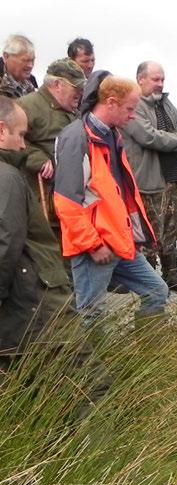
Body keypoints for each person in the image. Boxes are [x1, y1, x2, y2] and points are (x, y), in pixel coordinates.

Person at [0, 96, 109, 406]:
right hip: (37, 301)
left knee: (25, 388)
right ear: (1, 130)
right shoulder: (7, 178)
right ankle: (96, 449)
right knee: (90, 383)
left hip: (22, 306)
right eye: (20, 135)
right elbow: (6, 243)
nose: (24, 146)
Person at [54, 73, 169, 325]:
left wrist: (133, 236)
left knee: (157, 291)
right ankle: (89, 365)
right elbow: (66, 203)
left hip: (119, 241)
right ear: (112, 103)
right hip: (95, 247)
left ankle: (146, 358)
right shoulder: (77, 138)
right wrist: (93, 245)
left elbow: (120, 195)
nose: (132, 115)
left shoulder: (112, 135)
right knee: (90, 315)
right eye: (129, 109)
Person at [124, 60, 177, 294]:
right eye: (155, 79)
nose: (160, 84)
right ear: (141, 79)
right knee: (150, 233)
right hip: (148, 181)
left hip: (171, 177)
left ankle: (172, 275)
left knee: (172, 228)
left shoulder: (167, 104)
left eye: (162, 79)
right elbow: (149, 137)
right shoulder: (134, 105)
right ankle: (148, 283)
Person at [18, 59, 86, 224]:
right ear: (57, 84)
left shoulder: (74, 112)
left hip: (72, 200)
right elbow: (7, 141)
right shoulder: (26, 106)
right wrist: (37, 157)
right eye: (75, 86)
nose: (81, 91)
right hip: (43, 201)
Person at [0, 34, 37, 99]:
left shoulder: (31, 81)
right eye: (25, 60)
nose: (30, 66)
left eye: (32, 60)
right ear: (6, 57)